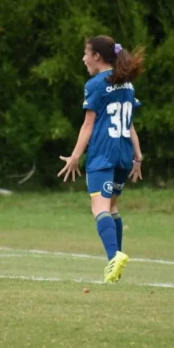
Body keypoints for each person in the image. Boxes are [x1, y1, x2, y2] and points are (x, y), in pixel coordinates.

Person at [58, 35, 145, 283]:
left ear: (97, 56)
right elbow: (129, 125)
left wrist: (75, 157)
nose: (83, 58)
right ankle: (115, 264)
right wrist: (138, 157)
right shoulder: (126, 84)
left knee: (99, 209)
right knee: (113, 208)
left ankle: (113, 258)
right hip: (124, 156)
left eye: (86, 53)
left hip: (102, 156)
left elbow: (88, 125)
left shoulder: (95, 85)